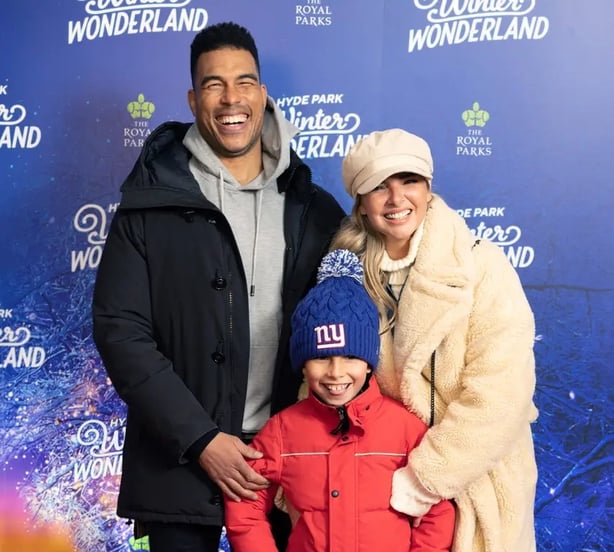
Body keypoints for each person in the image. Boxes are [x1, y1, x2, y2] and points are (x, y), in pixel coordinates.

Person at [92, 21, 345, 552]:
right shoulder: (149, 203)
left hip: (290, 459)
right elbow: (122, 332)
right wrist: (201, 439)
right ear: (193, 98)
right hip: (179, 458)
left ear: (262, 93)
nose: (232, 98)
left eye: (244, 81)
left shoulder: (313, 209)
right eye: (214, 84)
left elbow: (351, 319)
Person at [331, 128, 539, 552]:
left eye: (409, 181)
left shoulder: (481, 265)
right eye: (378, 186)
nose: (396, 199)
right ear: (361, 203)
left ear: (428, 189)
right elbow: (322, 379)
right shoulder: (344, 276)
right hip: (377, 487)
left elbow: (501, 393)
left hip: (470, 482)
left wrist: (425, 477)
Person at [224, 249, 455, 552]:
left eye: (349, 356)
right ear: (303, 364)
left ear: (369, 362)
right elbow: (246, 503)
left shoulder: (406, 430)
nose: (336, 373)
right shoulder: (282, 430)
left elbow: (437, 512)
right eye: (321, 357)